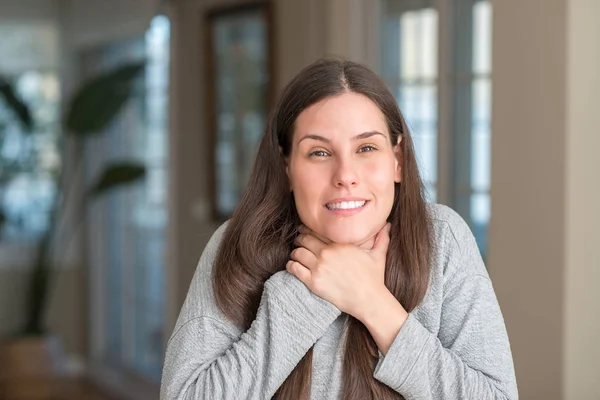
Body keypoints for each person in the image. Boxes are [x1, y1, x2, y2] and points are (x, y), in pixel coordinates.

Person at [160, 58, 518, 400]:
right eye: (319, 152)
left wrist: (372, 301)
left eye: (366, 147)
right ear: (287, 167)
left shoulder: (443, 239)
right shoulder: (238, 244)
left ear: (397, 160)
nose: (345, 175)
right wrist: (310, 291)